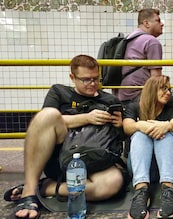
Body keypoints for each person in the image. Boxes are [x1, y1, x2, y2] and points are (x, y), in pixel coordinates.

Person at [3, 55, 127, 219]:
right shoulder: (59, 92)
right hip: (62, 155)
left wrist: (121, 125)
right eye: (86, 80)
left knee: (112, 184)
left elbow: (120, 140)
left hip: (95, 159)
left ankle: (44, 188)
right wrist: (87, 118)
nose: (92, 84)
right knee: (48, 114)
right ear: (72, 77)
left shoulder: (109, 99)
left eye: (96, 78)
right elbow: (44, 122)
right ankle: (29, 192)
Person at [116, 8, 173, 157]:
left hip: (123, 93)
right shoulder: (151, 41)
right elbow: (156, 81)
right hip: (140, 93)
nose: (162, 23)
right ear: (146, 23)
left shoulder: (129, 39)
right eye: (157, 20)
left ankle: (129, 151)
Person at [123, 75, 173, 219]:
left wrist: (166, 125)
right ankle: (141, 190)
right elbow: (127, 127)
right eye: (163, 88)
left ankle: (169, 188)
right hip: (142, 168)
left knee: (166, 134)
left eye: (169, 89)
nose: (169, 92)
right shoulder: (134, 106)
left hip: (168, 166)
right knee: (139, 135)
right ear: (152, 90)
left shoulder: (171, 109)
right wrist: (140, 125)